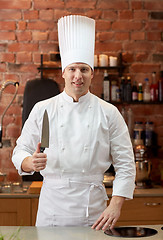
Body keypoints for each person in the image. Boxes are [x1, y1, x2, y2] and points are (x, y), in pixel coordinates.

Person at [12, 15, 136, 231]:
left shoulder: (109, 113)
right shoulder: (43, 109)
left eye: (84, 69)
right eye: (72, 69)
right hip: (52, 210)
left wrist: (116, 205)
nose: (78, 75)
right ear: (63, 73)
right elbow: (19, 151)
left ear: (92, 74)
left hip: (95, 212)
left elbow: (126, 164)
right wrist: (29, 163)